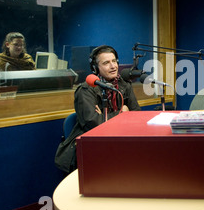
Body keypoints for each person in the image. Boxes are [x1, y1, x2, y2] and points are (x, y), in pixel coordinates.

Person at [55, 45, 141, 173]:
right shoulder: (86, 90)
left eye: (114, 61)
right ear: (96, 68)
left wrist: (106, 117)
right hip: (90, 148)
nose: (113, 66)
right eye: (106, 63)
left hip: (118, 142)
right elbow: (95, 124)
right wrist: (122, 113)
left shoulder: (124, 85)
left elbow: (137, 117)